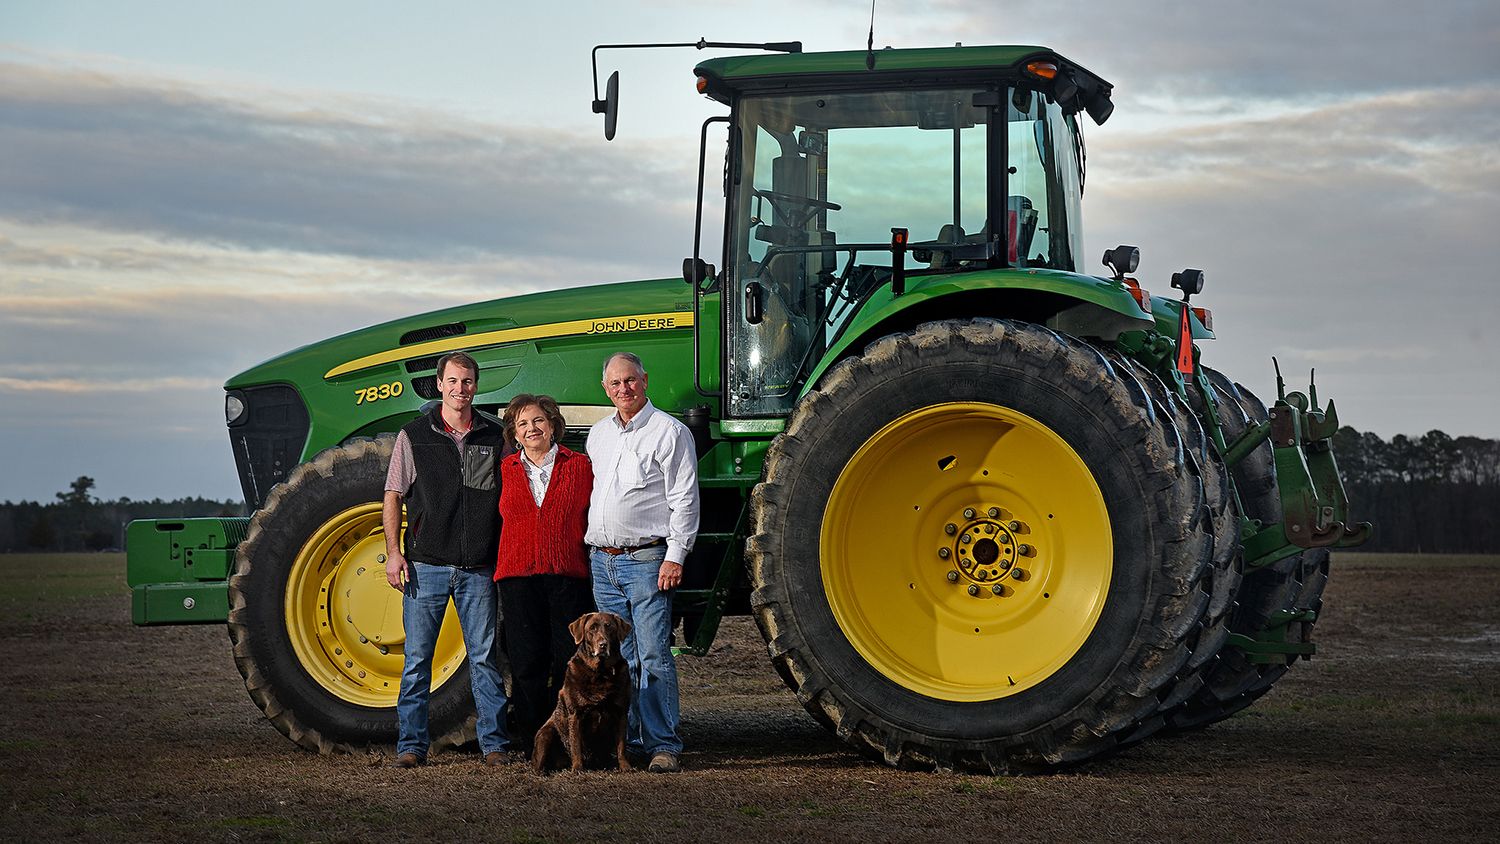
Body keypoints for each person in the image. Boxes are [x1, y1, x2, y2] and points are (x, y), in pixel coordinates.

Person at [382, 351, 516, 768]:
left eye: (468, 381)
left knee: (484, 658)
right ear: (439, 385)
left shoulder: (494, 436)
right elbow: (392, 495)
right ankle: (411, 746)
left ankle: (494, 745)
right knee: (419, 660)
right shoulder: (413, 436)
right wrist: (393, 553)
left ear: (477, 386)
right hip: (427, 566)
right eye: (453, 381)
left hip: (478, 568)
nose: (461, 389)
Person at [585, 351, 700, 773]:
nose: (623, 389)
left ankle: (663, 745)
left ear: (645, 380)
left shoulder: (669, 432)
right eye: (615, 384)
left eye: (630, 381)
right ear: (605, 389)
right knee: (617, 658)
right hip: (603, 561)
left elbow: (684, 499)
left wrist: (675, 556)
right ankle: (626, 742)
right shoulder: (598, 435)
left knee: (653, 655)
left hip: (646, 559)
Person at [493, 393, 595, 754]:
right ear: (514, 434)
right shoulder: (503, 470)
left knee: (567, 661)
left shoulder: (580, 465)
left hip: (568, 577)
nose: (531, 429)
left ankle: (571, 741)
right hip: (517, 578)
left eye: (537, 420)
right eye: (522, 424)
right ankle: (534, 743)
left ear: (553, 425)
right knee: (526, 663)